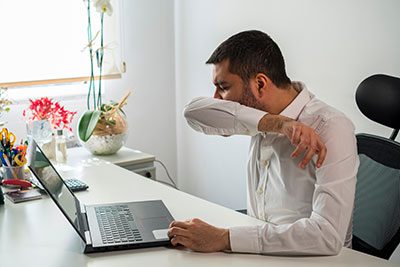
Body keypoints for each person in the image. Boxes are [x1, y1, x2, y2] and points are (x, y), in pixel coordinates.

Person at [168, 30, 359, 255]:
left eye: (224, 87)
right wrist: (276, 124)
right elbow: (192, 112)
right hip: (259, 251)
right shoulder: (258, 120)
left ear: (259, 84)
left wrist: (224, 238)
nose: (217, 100)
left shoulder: (331, 127)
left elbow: (327, 236)